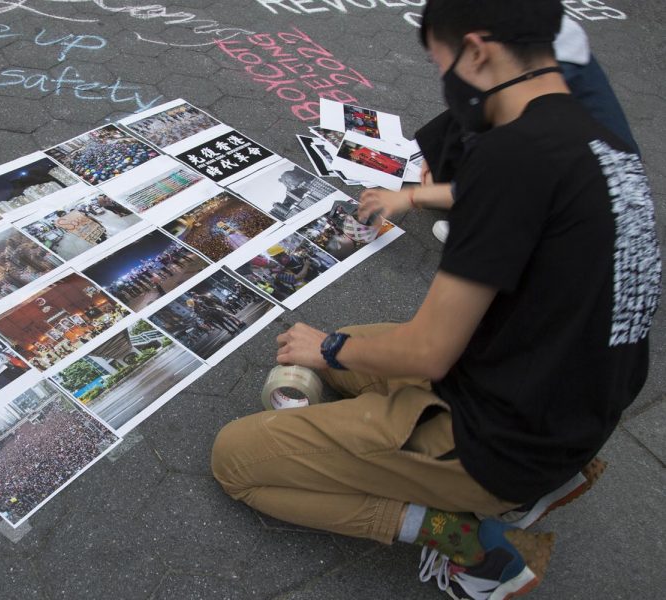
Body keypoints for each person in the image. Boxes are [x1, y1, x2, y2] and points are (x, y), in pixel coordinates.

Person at [210, 2, 661, 599]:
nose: (444, 82)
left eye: (440, 60)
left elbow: (428, 354)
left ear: (477, 51)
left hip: (499, 439)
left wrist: (331, 348)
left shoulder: (510, 157)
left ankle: (459, 538)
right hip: (569, 409)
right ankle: (526, 481)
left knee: (235, 458)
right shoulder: (601, 140)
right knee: (347, 352)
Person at [361, 15, 641, 243]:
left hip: (586, 225)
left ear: (477, 49)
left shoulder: (538, 120)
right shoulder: (538, 50)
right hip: (611, 192)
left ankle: (486, 233)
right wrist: (435, 156)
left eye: (441, 61)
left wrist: (410, 197)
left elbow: (503, 174)